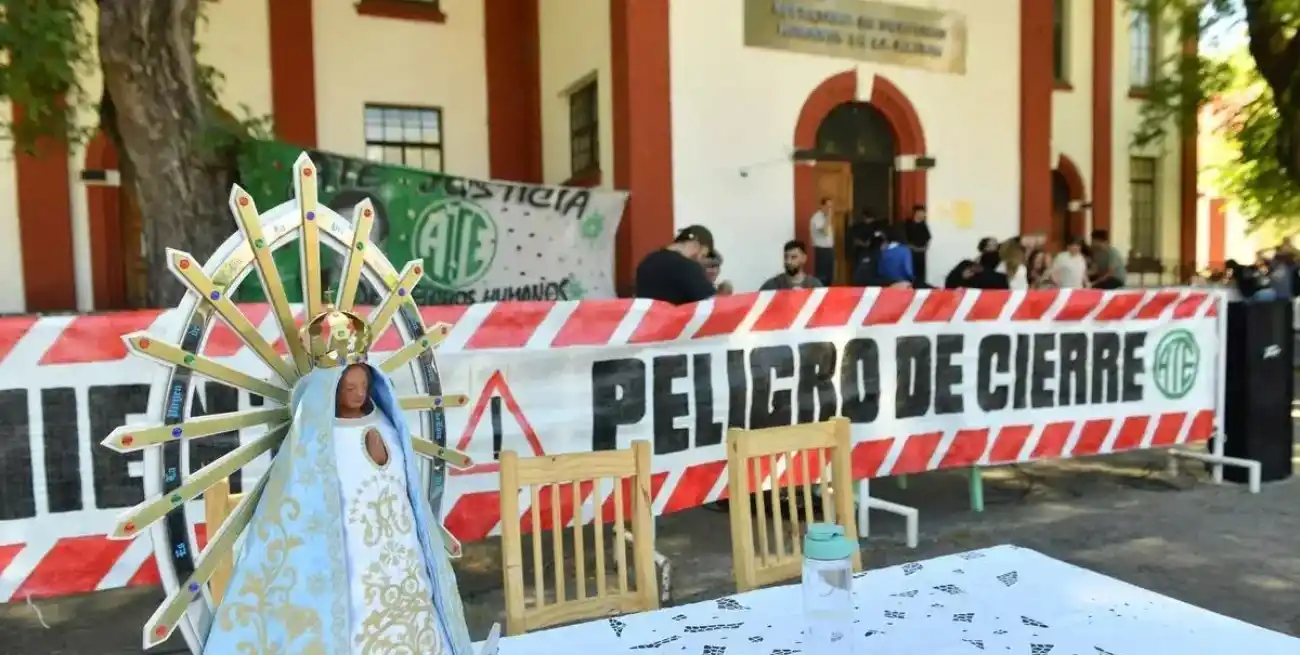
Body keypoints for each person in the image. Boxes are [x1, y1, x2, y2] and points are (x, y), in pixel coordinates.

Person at [635, 225, 717, 304]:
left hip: (649, 317)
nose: (700, 260)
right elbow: (712, 302)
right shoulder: (688, 267)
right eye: (702, 255)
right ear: (696, 244)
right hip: (675, 318)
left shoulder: (647, 261)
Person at [809, 197, 836, 285]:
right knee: (822, 276)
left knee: (829, 275)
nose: (829, 209)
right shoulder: (817, 217)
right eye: (828, 206)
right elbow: (824, 231)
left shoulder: (825, 218)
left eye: (831, 207)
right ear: (822, 206)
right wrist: (828, 218)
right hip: (821, 250)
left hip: (829, 249)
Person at [903, 205, 931, 286]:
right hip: (910, 253)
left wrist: (925, 248)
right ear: (916, 213)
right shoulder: (907, 224)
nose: (924, 215)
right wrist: (913, 247)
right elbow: (904, 239)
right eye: (922, 213)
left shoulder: (923, 224)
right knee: (911, 274)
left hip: (921, 254)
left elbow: (928, 238)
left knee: (921, 275)